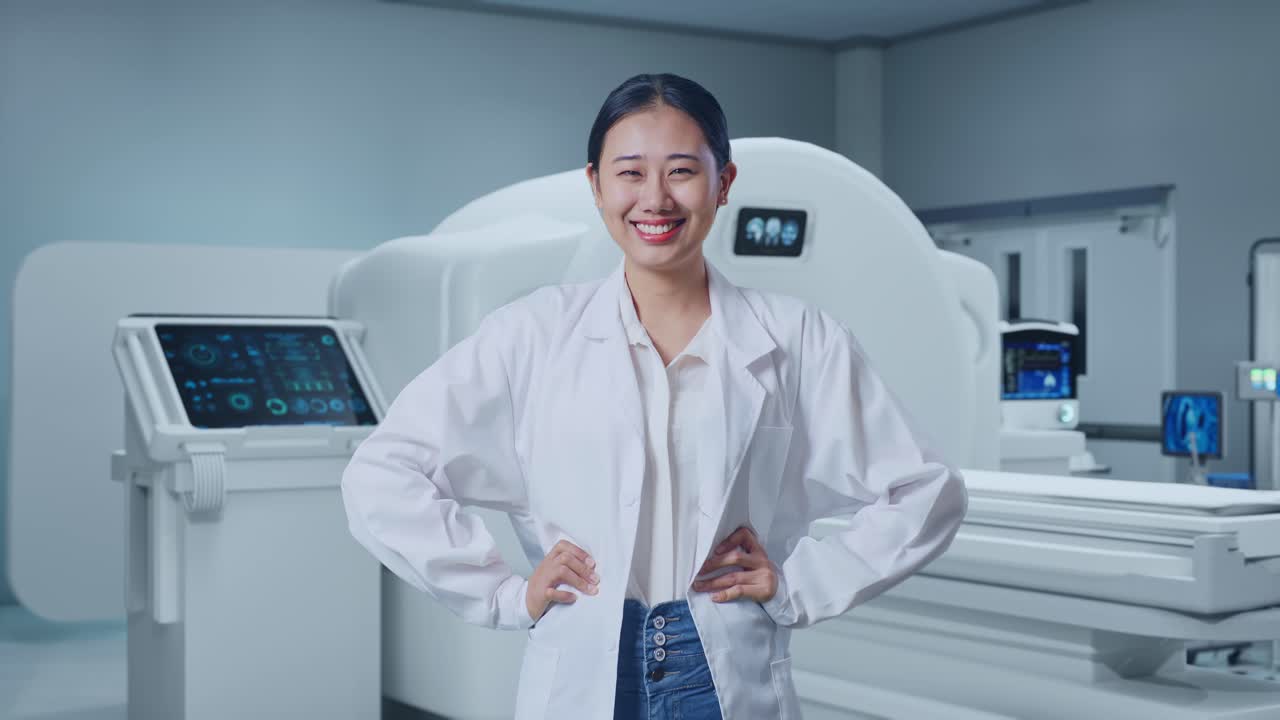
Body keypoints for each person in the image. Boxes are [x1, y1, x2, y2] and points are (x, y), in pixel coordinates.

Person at [341, 73, 967, 720]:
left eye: (681, 172)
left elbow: (925, 491)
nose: (656, 199)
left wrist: (799, 585)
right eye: (631, 173)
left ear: (723, 184)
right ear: (596, 186)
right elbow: (382, 474)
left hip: (723, 669)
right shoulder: (532, 334)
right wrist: (502, 594)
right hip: (586, 667)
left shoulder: (799, 338)